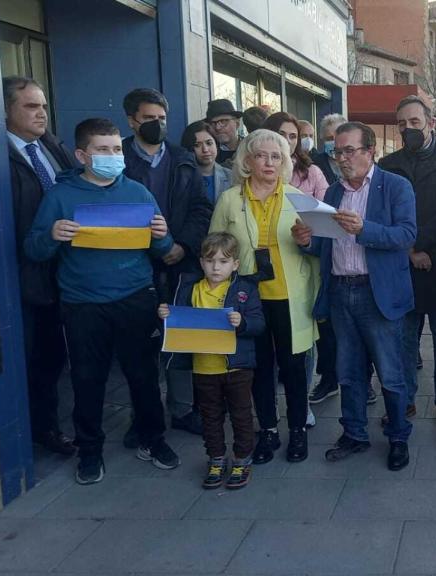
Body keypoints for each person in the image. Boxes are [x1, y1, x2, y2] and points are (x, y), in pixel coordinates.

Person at [25, 118, 179, 484]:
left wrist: (161, 234)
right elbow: (34, 249)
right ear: (82, 155)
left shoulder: (138, 193)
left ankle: (152, 439)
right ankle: (90, 452)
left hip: (136, 299)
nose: (112, 156)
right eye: (102, 150)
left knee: (143, 377)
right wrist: (53, 233)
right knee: (87, 381)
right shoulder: (61, 197)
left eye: (115, 149)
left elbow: (161, 249)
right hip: (83, 305)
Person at [307, 122, 416, 472]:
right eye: (337, 151)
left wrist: (364, 229)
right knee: (349, 371)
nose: (342, 158)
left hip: (377, 293)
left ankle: (398, 436)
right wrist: (306, 239)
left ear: (371, 152)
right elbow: (324, 245)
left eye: (349, 150)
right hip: (341, 291)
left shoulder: (395, 186)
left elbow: (406, 234)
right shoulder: (333, 194)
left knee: (391, 372)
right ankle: (354, 433)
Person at [209, 129, 320, 465]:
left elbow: (317, 248)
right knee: (259, 367)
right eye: (261, 155)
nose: (269, 162)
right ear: (247, 160)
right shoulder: (230, 199)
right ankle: (268, 430)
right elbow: (214, 246)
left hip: (289, 293)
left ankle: (298, 429)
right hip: (248, 297)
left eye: (276, 156)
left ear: (285, 161)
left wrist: (306, 241)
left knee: (293, 365)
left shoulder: (297, 197)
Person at [122, 88, 212, 439]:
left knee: (180, 340)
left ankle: (182, 410)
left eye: (161, 119)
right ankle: (141, 416)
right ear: (132, 121)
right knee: (138, 348)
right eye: (148, 119)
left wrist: (181, 245)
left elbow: (201, 209)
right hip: (135, 267)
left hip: (179, 264)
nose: (156, 125)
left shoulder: (182, 158)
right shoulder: (120, 161)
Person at [378, 95, 436, 432]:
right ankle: (405, 399)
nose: (408, 129)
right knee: (405, 337)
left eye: (414, 122)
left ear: (431, 123)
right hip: (403, 263)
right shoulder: (387, 164)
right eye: (402, 124)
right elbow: (385, 212)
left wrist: (421, 245)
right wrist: (408, 250)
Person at [3, 76, 78, 456]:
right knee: (33, 356)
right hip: (26, 275)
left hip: (65, 272)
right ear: (5, 111)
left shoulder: (52, 146)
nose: (41, 113)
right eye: (31, 107)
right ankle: (41, 429)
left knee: (55, 355)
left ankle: (50, 423)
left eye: (43, 105)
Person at [159, 232, 265, 490]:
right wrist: (166, 314)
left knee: (241, 415)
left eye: (223, 261)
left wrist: (243, 323)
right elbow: (180, 322)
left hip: (237, 367)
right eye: (210, 261)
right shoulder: (190, 289)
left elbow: (259, 325)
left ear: (235, 265)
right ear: (201, 262)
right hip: (203, 367)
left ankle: (242, 458)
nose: (216, 267)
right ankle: (216, 458)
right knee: (210, 416)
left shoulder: (244, 290)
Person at [262, 112, 328, 199]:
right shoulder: (254, 168)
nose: (287, 140)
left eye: (293, 136)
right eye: (281, 134)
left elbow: (327, 208)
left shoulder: (313, 173)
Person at [180, 120, 232, 205]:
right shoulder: (180, 178)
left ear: (216, 144)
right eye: (197, 145)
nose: (205, 149)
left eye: (209, 143)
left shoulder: (231, 177)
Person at [311, 113, 347, 186]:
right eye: (329, 138)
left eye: (338, 137)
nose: (334, 142)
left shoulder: (359, 161)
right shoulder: (315, 163)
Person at [205, 99, 244, 167]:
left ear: (237, 124)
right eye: (213, 123)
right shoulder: (206, 153)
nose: (217, 127)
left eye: (223, 121)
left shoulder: (251, 147)